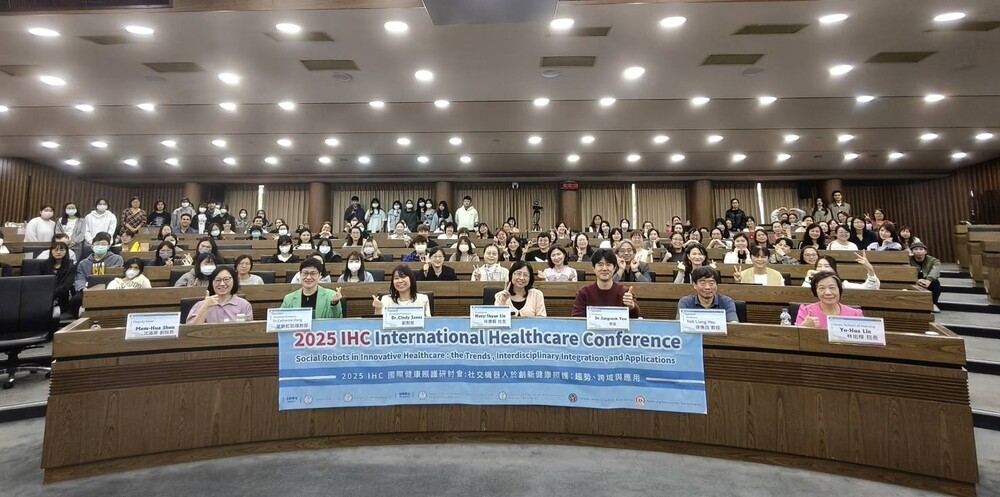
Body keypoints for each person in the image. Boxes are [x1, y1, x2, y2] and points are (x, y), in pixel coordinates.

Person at [570, 248, 640, 318]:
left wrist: (631, 307)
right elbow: (577, 318)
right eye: (600, 265)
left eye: (608, 264)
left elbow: (635, 318)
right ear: (594, 268)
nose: (604, 268)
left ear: (614, 268)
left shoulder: (625, 292)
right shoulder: (583, 293)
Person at [795, 271, 864, 328]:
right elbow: (794, 338)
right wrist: (804, 327)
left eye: (832, 287)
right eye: (822, 288)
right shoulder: (805, 311)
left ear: (839, 289)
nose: (828, 292)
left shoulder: (855, 314)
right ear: (815, 291)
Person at [186, 266, 254, 324]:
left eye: (226, 279)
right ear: (211, 282)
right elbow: (190, 331)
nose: (222, 284)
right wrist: (205, 307)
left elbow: (249, 330)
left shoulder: (244, 305)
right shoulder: (200, 305)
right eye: (218, 280)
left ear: (234, 281)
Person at [803, 253, 880, 290]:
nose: (822, 269)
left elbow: (870, 288)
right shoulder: (812, 285)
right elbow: (803, 295)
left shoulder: (844, 285)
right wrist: (809, 276)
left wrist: (870, 270)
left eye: (827, 266)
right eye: (819, 266)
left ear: (834, 269)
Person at [43, 240, 76, 317]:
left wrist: (53, 293)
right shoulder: (44, 264)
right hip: (45, 295)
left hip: (62, 296)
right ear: (51, 251)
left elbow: (67, 284)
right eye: (56, 250)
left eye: (62, 250)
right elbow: (41, 282)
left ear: (66, 251)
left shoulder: (70, 266)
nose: (58, 252)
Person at [909, 242, 942, 312]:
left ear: (925, 251)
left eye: (921, 249)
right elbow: (906, 272)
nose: (918, 251)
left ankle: (933, 303)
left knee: (936, 283)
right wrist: (915, 280)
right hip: (914, 280)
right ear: (912, 251)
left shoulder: (933, 260)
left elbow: (935, 270)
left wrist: (929, 280)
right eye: (916, 249)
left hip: (927, 279)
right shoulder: (908, 260)